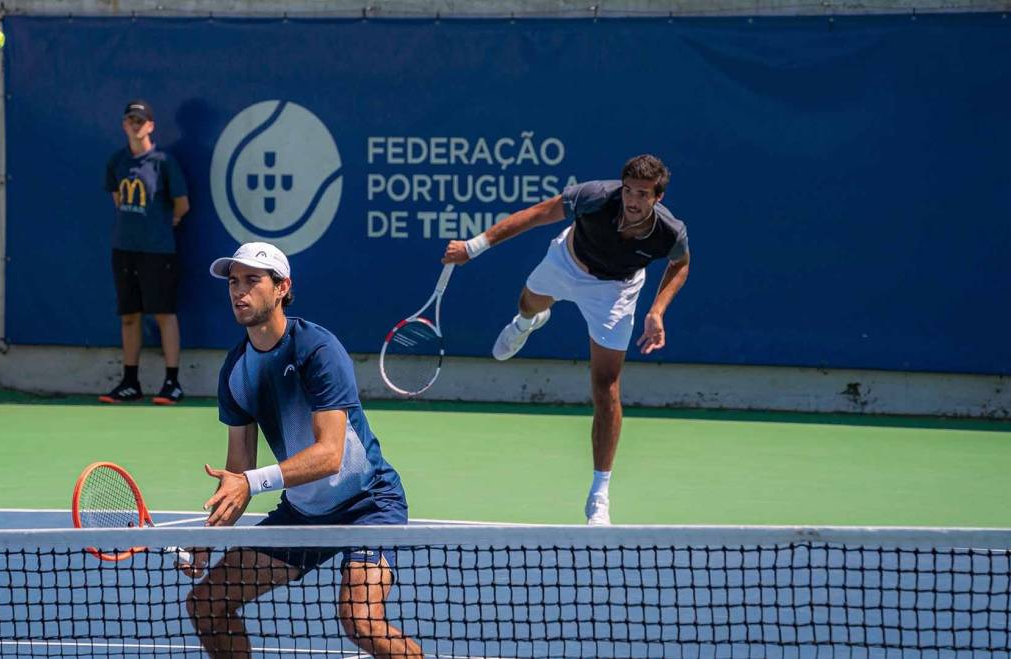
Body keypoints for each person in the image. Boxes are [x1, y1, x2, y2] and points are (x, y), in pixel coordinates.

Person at [182, 242, 423, 658]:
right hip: (304, 512)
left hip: (368, 504)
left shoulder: (316, 349)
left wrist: (249, 483)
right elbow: (238, 472)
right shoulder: (236, 371)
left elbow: (329, 454)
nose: (239, 292)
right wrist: (208, 537)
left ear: (281, 288)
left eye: (252, 281)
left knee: (360, 619)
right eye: (234, 282)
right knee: (206, 605)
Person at [441, 154, 690, 525]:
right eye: (628, 191)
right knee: (527, 303)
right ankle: (529, 322)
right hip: (567, 263)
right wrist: (474, 247)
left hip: (615, 293)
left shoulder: (670, 231)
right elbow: (538, 214)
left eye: (642, 194)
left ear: (658, 198)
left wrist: (657, 311)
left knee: (606, 387)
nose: (632, 200)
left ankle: (599, 494)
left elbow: (680, 264)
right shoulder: (593, 196)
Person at [99, 100, 191, 405]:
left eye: (141, 120)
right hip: (124, 249)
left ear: (151, 125)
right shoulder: (117, 162)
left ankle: (172, 383)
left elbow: (182, 204)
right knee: (129, 316)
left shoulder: (164, 162)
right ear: (124, 125)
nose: (135, 125)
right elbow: (116, 199)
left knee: (164, 314)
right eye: (130, 120)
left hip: (158, 250)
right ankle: (129, 382)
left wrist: (166, 224)